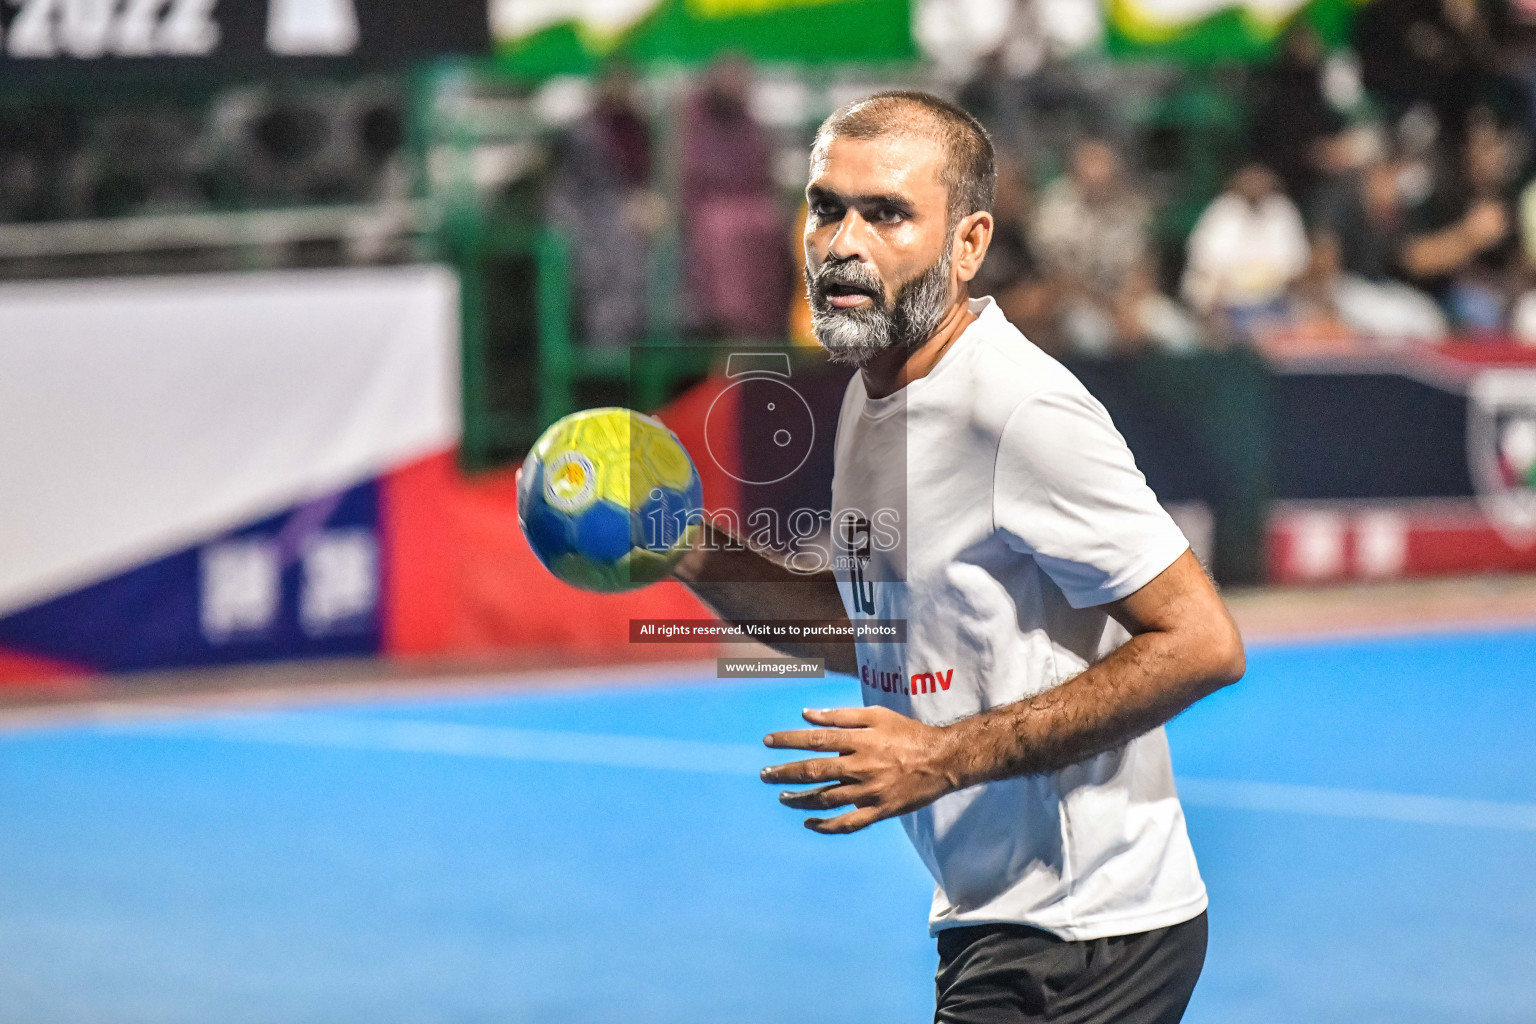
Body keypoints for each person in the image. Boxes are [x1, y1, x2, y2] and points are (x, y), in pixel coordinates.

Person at [670, 91, 1245, 1024]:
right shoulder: (874, 391)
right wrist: (686, 548)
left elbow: (1202, 641)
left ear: (968, 244)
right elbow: (873, 626)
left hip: (1082, 932)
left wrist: (940, 757)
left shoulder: (1018, 410)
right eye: (826, 207)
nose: (843, 242)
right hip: (1005, 918)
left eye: (888, 213)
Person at [1032, 137, 1201, 355]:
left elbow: (1144, 265)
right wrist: (1111, 313)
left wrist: (1128, 310)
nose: (1099, 174)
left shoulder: (1130, 207)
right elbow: (1059, 278)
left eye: (1104, 165)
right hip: (1078, 302)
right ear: (1075, 170)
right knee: (1091, 337)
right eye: (1091, 164)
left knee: (1180, 334)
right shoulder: (1054, 212)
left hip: (1128, 300)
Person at [545, 65, 662, 347]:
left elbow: (647, 185)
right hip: (587, 219)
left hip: (627, 216)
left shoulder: (642, 128)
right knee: (614, 250)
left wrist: (646, 203)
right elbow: (567, 191)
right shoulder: (583, 132)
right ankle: (607, 347)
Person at [1181, 163, 1311, 336]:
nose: (1255, 185)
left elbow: (1296, 262)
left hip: (1275, 297)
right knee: (1199, 288)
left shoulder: (1282, 210)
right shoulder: (1223, 211)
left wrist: (1269, 280)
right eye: (1250, 180)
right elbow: (1205, 261)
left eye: (1260, 180)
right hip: (1229, 296)